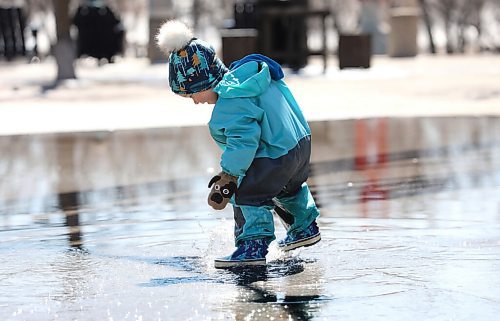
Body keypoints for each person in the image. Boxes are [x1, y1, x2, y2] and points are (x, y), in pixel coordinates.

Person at [156, 20, 320, 268]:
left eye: (191, 94)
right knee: (286, 188)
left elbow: (244, 142)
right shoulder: (250, 79)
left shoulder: (230, 101)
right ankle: (304, 226)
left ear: (202, 81)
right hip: (299, 147)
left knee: (245, 190)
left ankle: (252, 245)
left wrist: (230, 176)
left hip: (275, 155)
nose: (194, 101)